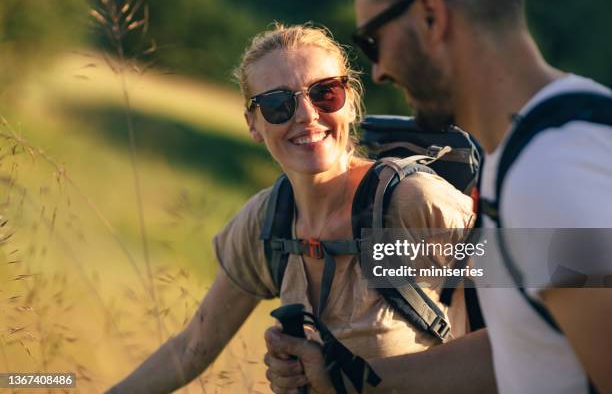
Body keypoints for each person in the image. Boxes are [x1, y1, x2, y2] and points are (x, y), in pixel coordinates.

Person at [264, 0, 612, 393]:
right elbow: (530, 342)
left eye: (373, 42)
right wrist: (349, 379)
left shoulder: (551, 172)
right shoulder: (527, 148)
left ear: (430, 14)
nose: (378, 72)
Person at [107, 23, 476, 393]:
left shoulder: (414, 204)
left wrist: (350, 380)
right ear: (253, 123)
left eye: (325, 93)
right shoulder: (269, 222)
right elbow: (191, 349)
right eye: (278, 104)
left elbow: (521, 327)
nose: (306, 115)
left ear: (349, 102)